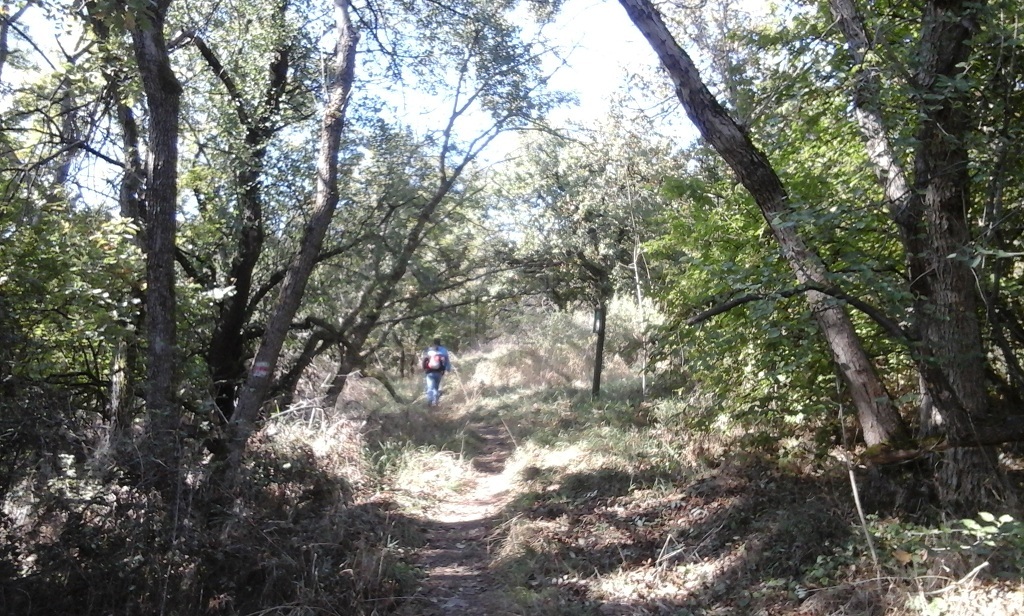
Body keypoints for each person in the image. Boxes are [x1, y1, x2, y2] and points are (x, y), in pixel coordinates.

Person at [421, 338, 451, 407]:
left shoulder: (429, 351)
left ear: (434, 343)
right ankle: (435, 401)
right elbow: (445, 361)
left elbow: (424, 361)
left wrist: (425, 369)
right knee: (436, 387)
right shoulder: (443, 351)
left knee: (430, 387)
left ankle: (430, 400)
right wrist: (446, 369)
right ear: (440, 342)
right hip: (439, 372)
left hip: (429, 372)